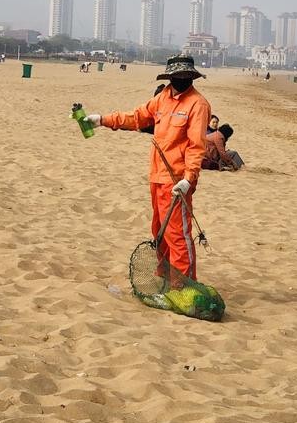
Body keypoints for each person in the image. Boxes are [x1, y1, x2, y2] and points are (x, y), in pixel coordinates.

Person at [86, 55, 210, 279]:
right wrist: (102, 120)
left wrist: (188, 178)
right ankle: (164, 277)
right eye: (176, 76)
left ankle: (183, 286)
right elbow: (137, 118)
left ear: (192, 77)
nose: (180, 79)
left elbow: (196, 146)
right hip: (157, 177)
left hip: (177, 181)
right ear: (170, 76)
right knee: (159, 232)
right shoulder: (162, 97)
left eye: (185, 76)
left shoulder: (198, 104)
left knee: (178, 236)